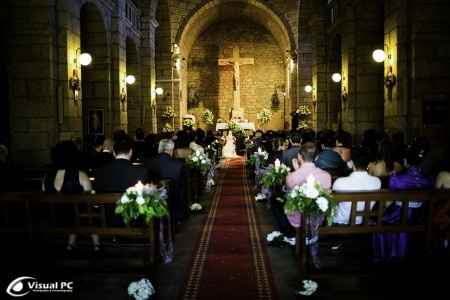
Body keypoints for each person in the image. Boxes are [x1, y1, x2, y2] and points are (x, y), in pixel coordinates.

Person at [42, 141, 99, 251]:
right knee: (87, 211)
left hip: (54, 217)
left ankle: (71, 243)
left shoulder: (47, 176)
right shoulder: (80, 175)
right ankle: (95, 244)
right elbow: (90, 199)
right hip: (76, 218)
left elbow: (44, 194)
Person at [333, 147, 381, 225]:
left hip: (340, 224)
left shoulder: (339, 182)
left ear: (352, 163)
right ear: (368, 164)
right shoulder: (377, 182)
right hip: (363, 225)